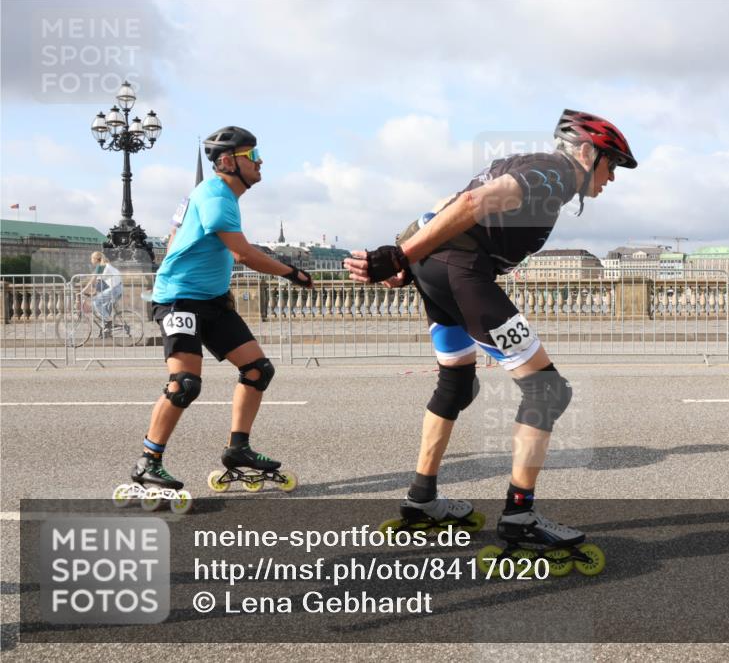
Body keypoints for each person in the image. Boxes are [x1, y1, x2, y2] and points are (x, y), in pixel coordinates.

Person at [345, 109, 637, 558]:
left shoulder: (521, 161)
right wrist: (399, 256)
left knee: (457, 383)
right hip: (464, 271)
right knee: (547, 391)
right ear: (585, 152)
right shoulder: (557, 173)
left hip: (438, 270)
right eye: (611, 163)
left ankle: (422, 500)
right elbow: (470, 205)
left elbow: (445, 202)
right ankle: (520, 518)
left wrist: (404, 253)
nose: (611, 177)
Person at [129, 125, 313, 499]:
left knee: (258, 370)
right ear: (228, 161)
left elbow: (176, 236)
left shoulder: (216, 195)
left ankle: (238, 449)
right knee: (184, 385)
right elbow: (243, 253)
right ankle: (148, 461)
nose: (261, 163)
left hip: (211, 300)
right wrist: (292, 272)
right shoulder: (216, 195)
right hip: (180, 300)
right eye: (253, 157)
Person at [82, 252, 123, 337]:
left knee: (97, 302)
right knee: (104, 308)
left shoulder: (101, 266)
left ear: (96, 259)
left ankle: (108, 322)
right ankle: (106, 332)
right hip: (117, 288)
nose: (91, 260)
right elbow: (100, 282)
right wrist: (93, 292)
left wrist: (83, 290)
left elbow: (93, 280)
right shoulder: (105, 265)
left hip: (114, 289)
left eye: (92, 258)